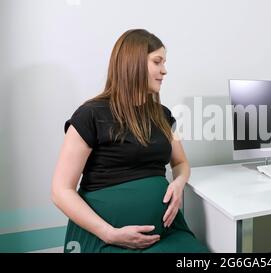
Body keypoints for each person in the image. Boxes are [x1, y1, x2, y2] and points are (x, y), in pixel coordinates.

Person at [51, 29, 208, 253]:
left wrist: (179, 183)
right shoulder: (90, 115)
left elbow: (181, 163)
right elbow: (60, 190)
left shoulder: (163, 115)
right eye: (157, 61)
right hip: (106, 238)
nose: (164, 70)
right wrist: (109, 233)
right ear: (133, 63)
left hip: (166, 233)